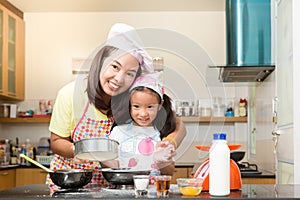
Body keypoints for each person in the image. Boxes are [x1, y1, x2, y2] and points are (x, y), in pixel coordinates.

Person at [47, 23, 186, 190]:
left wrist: (167, 145)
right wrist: (81, 151)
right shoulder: (70, 93)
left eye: (130, 73)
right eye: (114, 66)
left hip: (112, 187)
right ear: (101, 62)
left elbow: (178, 125)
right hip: (72, 184)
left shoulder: (132, 98)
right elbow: (55, 141)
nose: (119, 79)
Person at [108, 72, 177, 175]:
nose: (143, 114)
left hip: (153, 189)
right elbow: (113, 166)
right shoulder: (118, 132)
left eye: (150, 107)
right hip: (125, 189)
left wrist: (161, 162)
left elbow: (169, 172)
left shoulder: (163, 133)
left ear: (160, 105)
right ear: (129, 104)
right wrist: (101, 157)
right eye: (136, 106)